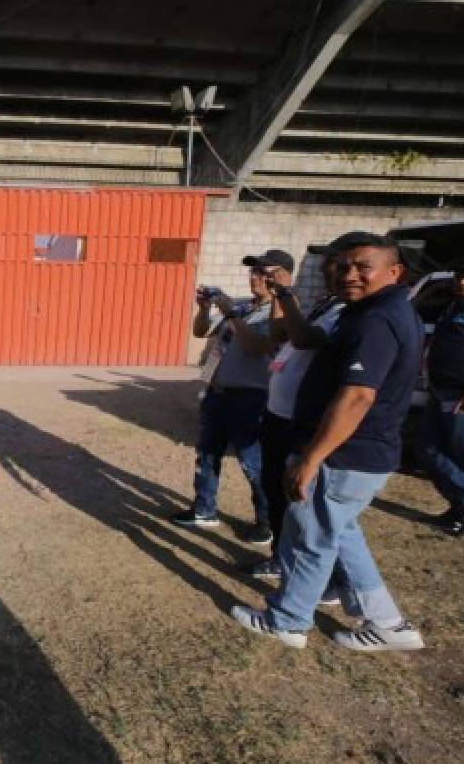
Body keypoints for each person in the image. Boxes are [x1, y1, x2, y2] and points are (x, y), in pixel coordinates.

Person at [231, 234, 426, 652]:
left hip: (343, 454)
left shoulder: (377, 319)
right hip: (359, 455)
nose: (348, 274)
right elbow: (303, 340)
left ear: (395, 272)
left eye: (362, 266)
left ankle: (288, 620)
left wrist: (311, 459)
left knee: (310, 539)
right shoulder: (373, 311)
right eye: (340, 265)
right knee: (341, 532)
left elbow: (358, 395)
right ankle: (388, 622)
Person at [245, 237, 351, 579]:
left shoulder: (343, 311)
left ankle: (327, 577)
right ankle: (280, 556)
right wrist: (280, 297)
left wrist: (286, 295)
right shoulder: (318, 304)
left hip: (300, 418)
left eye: (267, 271)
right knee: (275, 489)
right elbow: (280, 334)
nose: (328, 271)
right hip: (277, 413)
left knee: (301, 502)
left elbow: (305, 339)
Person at [171, 250, 285, 542]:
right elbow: (201, 332)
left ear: (280, 276)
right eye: (253, 272)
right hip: (217, 393)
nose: (254, 277)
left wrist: (231, 311)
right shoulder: (243, 306)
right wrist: (204, 308)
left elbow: (256, 347)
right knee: (207, 455)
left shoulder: (280, 312)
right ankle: (204, 509)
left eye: (262, 272)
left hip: (251, 397)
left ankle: (266, 521)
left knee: (253, 463)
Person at [419, 262, 464, 537]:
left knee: (460, 455)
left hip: (461, 396)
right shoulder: (452, 306)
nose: (462, 282)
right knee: (428, 450)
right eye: (460, 275)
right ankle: (460, 503)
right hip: (440, 390)